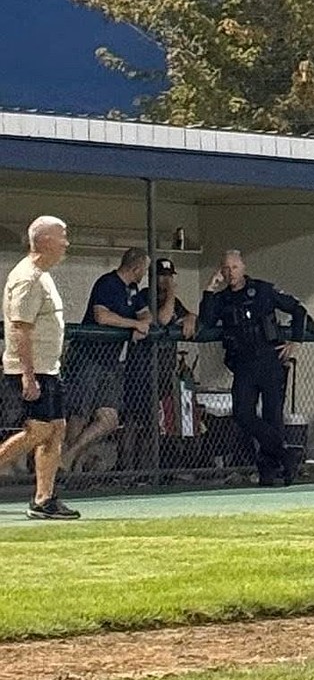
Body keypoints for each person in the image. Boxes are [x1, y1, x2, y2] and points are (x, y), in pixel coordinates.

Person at [198, 249, 306, 486]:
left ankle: (271, 472)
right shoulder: (222, 298)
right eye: (225, 269)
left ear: (243, 268)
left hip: (269, 359)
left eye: (234, 268)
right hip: (244, 364)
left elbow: (298, 309)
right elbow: (205, 321)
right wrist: (209, 288)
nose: (230, 273)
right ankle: (286, 455)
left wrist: (295, 340)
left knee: (272, 418)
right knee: (242, 413)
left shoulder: (263, 291)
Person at [0, 216, 79, 518]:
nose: (66, 243)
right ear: (45, 241)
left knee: (55, 428)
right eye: (62, 236)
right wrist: (28, 376)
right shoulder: (28, 277)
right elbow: (21, 328)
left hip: (49, 368)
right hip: (31, 372)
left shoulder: (43, 275)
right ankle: (43, 498)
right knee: (40, 430)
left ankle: (44, 498)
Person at [60, 246, 151, 473]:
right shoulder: (107, 283)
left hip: (111, 363)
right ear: (137, 267)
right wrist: (133, 324)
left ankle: (70, 455)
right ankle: (71, 470)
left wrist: (142, 323)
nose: (144, 274)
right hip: (88, 357)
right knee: (79, 412)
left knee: (109, 418)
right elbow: (102, 316)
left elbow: (146, 314)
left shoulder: (133, 290)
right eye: (144, 269)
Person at [123, 257, 198, 466]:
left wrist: (190, 317)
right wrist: (172, 292)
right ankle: (126, 467)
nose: (166, 281)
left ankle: (148, 468)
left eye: (169, 276)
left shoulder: (174, 301)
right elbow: (163, 318)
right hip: (141, 370)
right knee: (132, 420)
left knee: (154, 423)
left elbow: (188, 317)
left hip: (163, 371)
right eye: (161, 276)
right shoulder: (146, 296)